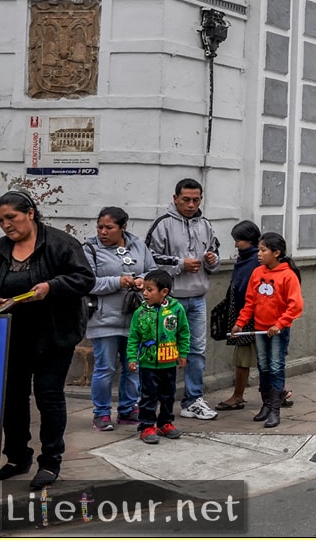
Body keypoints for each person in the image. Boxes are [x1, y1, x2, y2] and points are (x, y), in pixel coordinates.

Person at [0, 190, 95, 489]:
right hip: (13, 336)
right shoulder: (1, 248)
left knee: (48, 396)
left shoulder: (61, 243)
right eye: (1, 220)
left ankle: (50, 462)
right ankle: (17, 457)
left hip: (55, 335)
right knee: (13, 399)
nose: (5, 225)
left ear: (30, 213)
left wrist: (51, 287)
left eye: (10, 218)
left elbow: (85, 279)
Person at [145, 178, 220, 421]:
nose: (190, 204)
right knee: (163, 350)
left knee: (197, 350)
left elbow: (216, 252)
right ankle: (155, 400)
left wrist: (212, 261)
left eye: (196, 200)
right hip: (170, 300)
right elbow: (150, 260)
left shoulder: (206, 224)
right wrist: (180, 264)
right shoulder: (163, 224)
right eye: (185, 199)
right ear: (175, 198)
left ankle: (193, 400)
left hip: (198, 297)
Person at [84, 206, 157, 431]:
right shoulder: (89, 249)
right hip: (104, 319)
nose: (103, 232)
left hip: (135, 319)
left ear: (123, 228)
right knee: (105, 368)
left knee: (132, 366)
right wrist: (118, 281)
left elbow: (152, 271)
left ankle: (128, 409)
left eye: (109, 227)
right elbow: (87, 282)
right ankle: (102, 413)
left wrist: (141, 280)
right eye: (100, 227)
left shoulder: (138, 245)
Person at [233, 231, 304, 428]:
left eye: (263, 250)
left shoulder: (288, 275)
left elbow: (295, 306)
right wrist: (240, 322)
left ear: (276, 252)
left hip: (277, 332)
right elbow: (250, 302)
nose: (259, 253)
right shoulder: (257, 273)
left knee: (276, 367)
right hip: (259, 329)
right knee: (263, 366)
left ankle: (275, 409)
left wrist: (279, 324)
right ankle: (265, 405)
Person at [127, 271, 189, 444]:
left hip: (168, 363)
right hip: (148, 364)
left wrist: (183, 353)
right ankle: (147, 426)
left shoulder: (176, 309)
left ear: (164, 292)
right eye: (144, 289)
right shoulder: (140, 313)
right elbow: (133, 337)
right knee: (148, 396)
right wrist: (132, 358)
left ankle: (165, 423)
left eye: (149, 289)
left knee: (168, 395)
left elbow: (183, 332)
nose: (144, 293)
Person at [215, 220, 260, 412]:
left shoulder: (257, 261)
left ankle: (239, 395)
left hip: (254, 317)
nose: (235, 245)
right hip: (241, 315)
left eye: (239, 240)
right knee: (247, 358)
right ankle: (278, 393)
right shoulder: (243, 259)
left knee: (261, 358)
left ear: (249, 240)